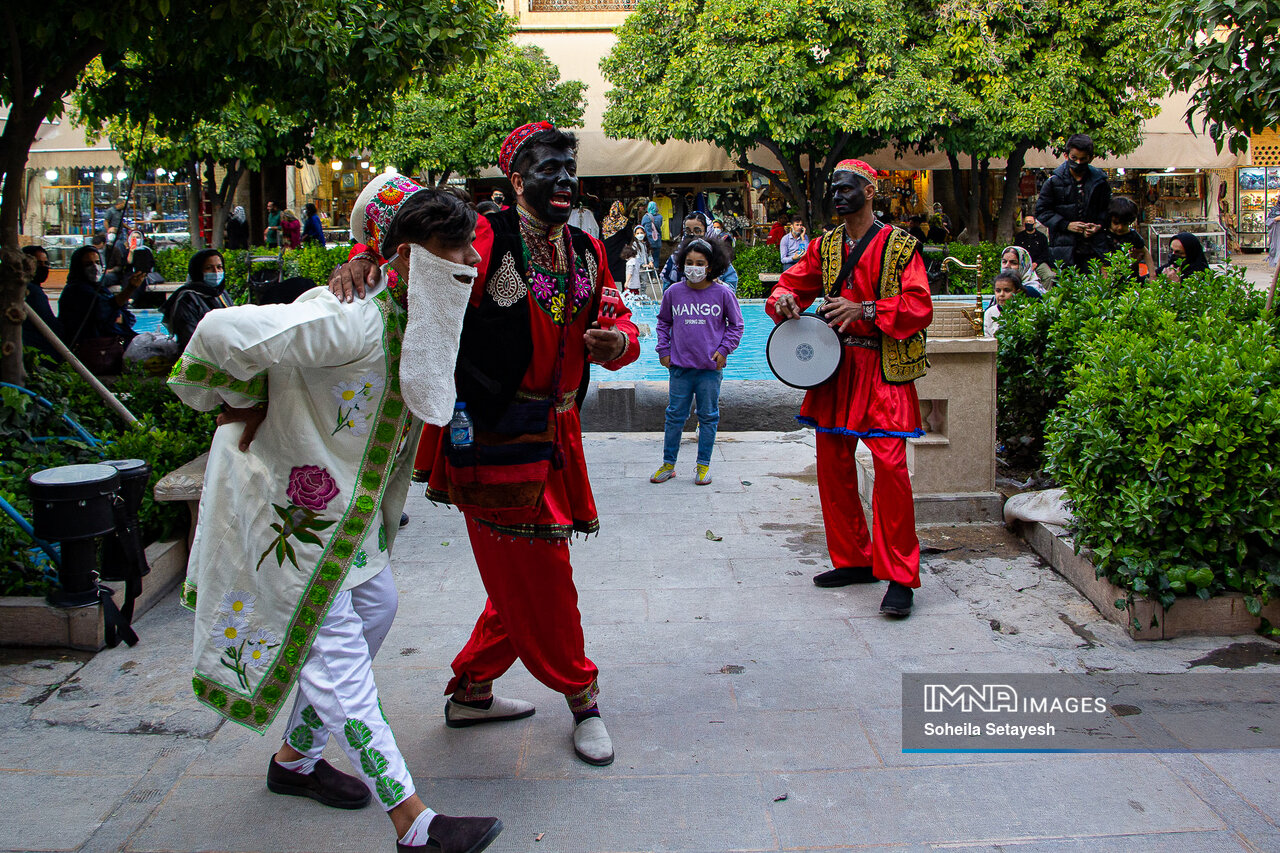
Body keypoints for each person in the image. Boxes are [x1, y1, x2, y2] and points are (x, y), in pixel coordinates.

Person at [167, 176, 504, 853]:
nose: (471, 262)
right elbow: (218, 330)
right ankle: (415, 824)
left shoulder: (413, 304)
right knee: (341, 660)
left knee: (377, 607)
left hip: (344, 525)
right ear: (408, 257)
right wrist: (241, 394)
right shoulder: (350, 318)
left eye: (470, 248)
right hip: (294, 521)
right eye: (455, 249)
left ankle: (295, 758)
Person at [328, 122, 640, 767]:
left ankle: (471, 690)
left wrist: (621, 344)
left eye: (568, 168)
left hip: (559, 432)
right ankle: (582, 694)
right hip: (492, 432)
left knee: (519, 572)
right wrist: (366, 257)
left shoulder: (586, 248)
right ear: (517, 179)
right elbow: (411, 239)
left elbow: (613, 317)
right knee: (544, 568)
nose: (562, 179)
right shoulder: (486, 231)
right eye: (546, 168)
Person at [767, 158, 932, 617]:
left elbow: (919, 306)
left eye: (847, 188)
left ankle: (900, 575)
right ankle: (854, 559)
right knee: (832, 466)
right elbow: (791, 286)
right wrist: (783, 300)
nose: (838, 195)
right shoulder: (825, 246)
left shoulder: (901, 246)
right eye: (833, 189)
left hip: (883, 369)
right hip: (835, 369)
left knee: (892, 473)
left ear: (870, 191)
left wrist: (867, 310)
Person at [650, 237, 743, 487]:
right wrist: (663, 349)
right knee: (674, 416)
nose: (694, 267)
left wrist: (724, 350)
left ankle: (703, 466)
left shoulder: (723, 293)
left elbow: (736, 325)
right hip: (679, 368)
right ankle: (668, 464)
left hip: (709, 370)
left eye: (700, 263)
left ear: (710, 266)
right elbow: (663, 322)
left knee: (708, 416)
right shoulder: (673, 293)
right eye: (689, 262)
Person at [1035, 133, 1112, 270]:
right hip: (1063, 251)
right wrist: (1066, 225)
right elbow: (1042, 211)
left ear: (1090, 158)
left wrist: (1098, 226)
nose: (1078, 163)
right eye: (1074, 158)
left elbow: (1107, 210)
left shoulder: (1100, 182)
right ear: (1066, 155)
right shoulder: (1054, 181)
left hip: (1095, 249)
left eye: (1083, 159)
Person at [59, 244, 140, 362]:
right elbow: (103, 311)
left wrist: (116, 312)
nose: (95, 267)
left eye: (97, 262)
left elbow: (126, 315)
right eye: (88, 264)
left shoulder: (100, 289)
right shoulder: (75, 291)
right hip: (95, 351)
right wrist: (129, 289)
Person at [162, 249, 235, 348]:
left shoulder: (221, 294)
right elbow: (190, 337)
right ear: (197, 271)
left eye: (219, 267)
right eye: (209, 268)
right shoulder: (187, 298)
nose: (216, 272)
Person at [661, 214, 739, 291]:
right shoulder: (675, 258)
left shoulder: (719, 257)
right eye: (688, 231)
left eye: (697, 231)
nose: (692, 235)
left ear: (707, 230)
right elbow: (667, 291)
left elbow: (731, 288)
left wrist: (718, 284)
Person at [20, 245, 65, 361]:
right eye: (38, 263)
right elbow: (49, 324)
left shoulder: (30, 289)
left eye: (46, 263)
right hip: (38, 352)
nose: (43, 267)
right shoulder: (32, 292)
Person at [1106, 197, 1155, 280]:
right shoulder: (1104, 235)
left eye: (1125, 224)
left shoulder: (1132, 235)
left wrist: (1152, 275)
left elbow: (1145, 252)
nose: (1120, 227)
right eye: (1116, 223)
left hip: (1130, 278)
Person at [1012, 215, 1056, 287]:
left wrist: (1036, 263)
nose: (1028, 223)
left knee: (1049, 276)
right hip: (1023, 264)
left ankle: (1044, 295)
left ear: (1034, 224)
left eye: (1030, 222)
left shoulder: (1042, 237)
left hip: (1038, 263)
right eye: (1026, 222)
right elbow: (1017, 252)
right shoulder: (1019, 237)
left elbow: (1045, 254)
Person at [600, 200, 631, 286]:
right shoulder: (624, 221)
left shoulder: (606, 221)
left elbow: (601, 234)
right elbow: (629, 235)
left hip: (607, 248)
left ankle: (607, 285)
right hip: (619, 249)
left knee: (608, 267)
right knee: (621, 269)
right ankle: (623, 287)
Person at [984, 271, 1022, 337]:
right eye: (998, 291)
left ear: (1017, 292)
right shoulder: (989, 313)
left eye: (1007, 290)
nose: (1001, 294)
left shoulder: (1023, 311)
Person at [641, 200, 664, 268]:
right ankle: (655, 275)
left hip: (648, 241)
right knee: (656, 258)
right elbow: (659, 227)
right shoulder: (660, 217)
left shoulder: (645, 217)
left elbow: (642, 228)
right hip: (657, 240)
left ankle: (648, 274)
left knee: (647, 258)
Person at [1265, 200, 1280, 269]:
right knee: (1276, 247)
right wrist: (1275, 219)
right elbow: (1268, 222)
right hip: (1277, 233)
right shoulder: (1274, 210)